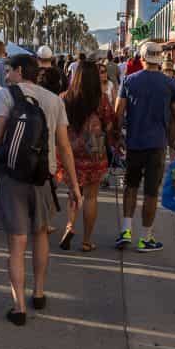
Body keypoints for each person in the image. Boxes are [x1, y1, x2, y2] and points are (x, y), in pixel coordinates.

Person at [0, 54, 82, 325]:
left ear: (18, 71)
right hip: (43, 177)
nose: (5, 76)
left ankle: (18, 306)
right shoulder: (54, 100)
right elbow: (64, 146)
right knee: (40, 235)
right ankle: (38, 292)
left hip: (12, 176)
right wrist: (74, 184)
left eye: (8, 71)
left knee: (16, 243)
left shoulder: (5, 96)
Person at [114, 41, 175, 252]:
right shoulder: (170, 83)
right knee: (152, 192)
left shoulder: (129, 81)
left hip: (134, 143)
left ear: (142, 58)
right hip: (157, 145)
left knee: (130, 187)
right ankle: (146, 237)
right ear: (160, 59)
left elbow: (119, 112)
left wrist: (117, 136)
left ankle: (126, 231)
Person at [58, 62, 116, 253]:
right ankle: (86, 240)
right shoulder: (101, 99)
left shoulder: (65, 98)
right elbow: (109, 124)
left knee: (74, 192)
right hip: (94, 151)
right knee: (91, 196)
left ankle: (69, 226)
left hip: (70, 151)